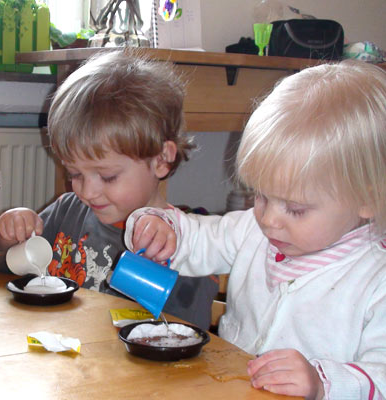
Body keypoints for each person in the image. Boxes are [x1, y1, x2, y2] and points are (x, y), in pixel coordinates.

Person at [125, 60, 386, 399]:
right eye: (261, 195)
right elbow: (198, 237)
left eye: (295, 208)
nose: (269, 219)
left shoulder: (376, 282)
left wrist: (324, 383)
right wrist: (159, 226)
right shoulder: (252, 231)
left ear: (367, 198)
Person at [0, 50, 218, 330]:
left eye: (107, 177)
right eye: (75, 174)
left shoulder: (186, 243)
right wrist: (9, 234)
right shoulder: (68, 211)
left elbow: (188, 332)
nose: (88, 192)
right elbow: (5, 270)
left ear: (161, 160)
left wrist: (168, 273)